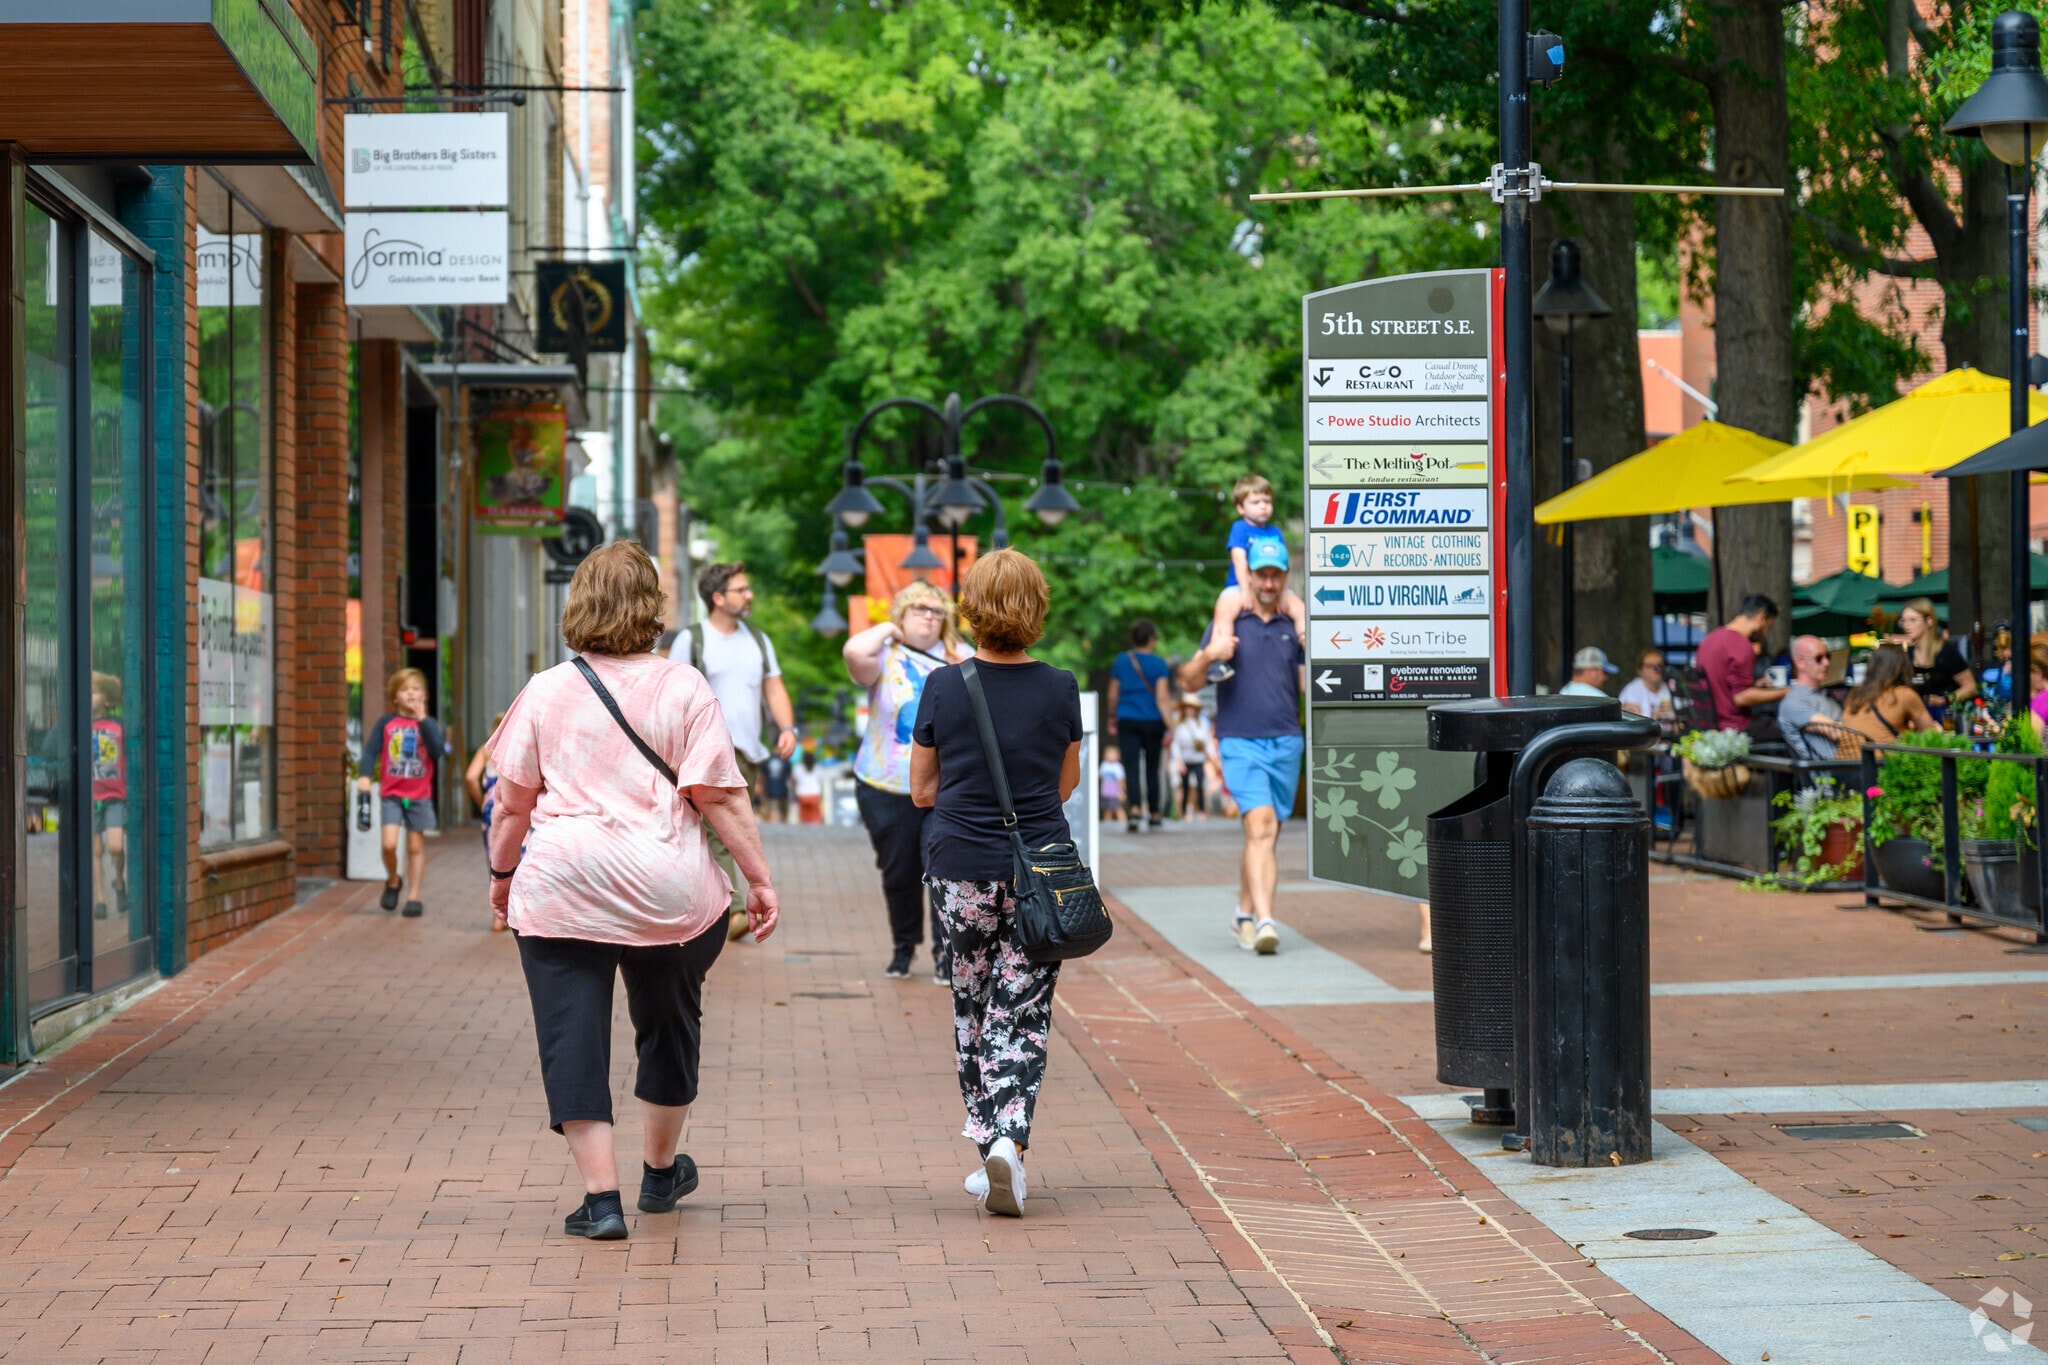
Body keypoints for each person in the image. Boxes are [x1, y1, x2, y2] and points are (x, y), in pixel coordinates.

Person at [487, 541, 778, 1242]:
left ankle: (601, 1198)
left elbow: (511, 804)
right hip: (668, 894)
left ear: (578, 602)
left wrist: (502, 880)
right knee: (670, 1022)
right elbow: (721, 796)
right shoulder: (683, 687)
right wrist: (759, 878)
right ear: (653, 606)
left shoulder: (546, 689)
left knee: (571, 1035)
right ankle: (658, 1171)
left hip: (563, 884)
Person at [910, 549, 1082, 1218]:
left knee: (973, 1006)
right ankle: (1009, 1138)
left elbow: (922, 789)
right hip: (1039, 870)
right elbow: (1064, 785)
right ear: (1037, 607)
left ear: (970, 608)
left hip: (960, 868)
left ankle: (988, 1142)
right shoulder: (1060, 686)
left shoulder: (944, 687)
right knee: (1024, 1009)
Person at [1180, 537, 1306, 955]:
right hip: (1239, 740)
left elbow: (1309, 686)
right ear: (1248, 575)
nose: (1268, 583)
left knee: (1264, 834)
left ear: (1285, 576)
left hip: (1287, 740)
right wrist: (1208, 655)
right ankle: (1267, 921)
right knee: (1261, 826)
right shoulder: (1229, 624)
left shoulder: (1294, 624)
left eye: (1276, 575)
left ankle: (1243, 914)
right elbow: (1189, 682)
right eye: (1262, 574)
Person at [669, 562, 798, 941]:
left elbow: (774, 687)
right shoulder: (691, 640)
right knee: (717, 830)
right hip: (703, 750)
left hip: (747, 752)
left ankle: (712, 902)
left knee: (735, 829)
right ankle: (735, 909)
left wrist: (787, 728)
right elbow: (672, 696)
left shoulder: (758, 640)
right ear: (717, 597)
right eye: (741, 589)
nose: (749, 595)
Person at [843, 580, 963, 981]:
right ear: (901, 615)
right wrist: (889, 630)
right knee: (899, 871)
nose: (929, 617)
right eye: (919, 609)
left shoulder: (959, 658)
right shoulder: (884, 655)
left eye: (936, 610)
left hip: (942, 788)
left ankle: (945, 953)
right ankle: (903, 947)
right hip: (884, 785)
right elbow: (853, 652)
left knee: (941, 868)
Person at [357, 668, 445, 919]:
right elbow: (370, 750)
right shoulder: (386, 723)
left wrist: (423, 718)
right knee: (389, 844)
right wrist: (364, 775)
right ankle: (393, 879)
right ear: (395, 697)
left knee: (416, 847)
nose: (411, 694)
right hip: (392, 794)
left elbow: (437, 751)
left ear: (425, 695)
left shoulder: (428, 724)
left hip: (418, 794)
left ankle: (414, 896)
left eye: (416, 689)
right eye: (405, 689)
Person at [1207, 475, 1307, 683]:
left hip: (1273, 587)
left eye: (1267, 502)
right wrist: (1245, 591)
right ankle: (1220, 659)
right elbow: (1239, 559)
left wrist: (1282, 595)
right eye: (1256, 502)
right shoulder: (1240, 529)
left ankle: (1308, 647)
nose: (1263, 507)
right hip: (1239, 585)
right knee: (1224, 608)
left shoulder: (1275, 532)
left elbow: (1284, 566)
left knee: (1299, 608)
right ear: (1241, 508)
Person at [1107, 621, 1175, 831]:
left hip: (1127, 718)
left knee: (1131, 765)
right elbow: (1162, 698)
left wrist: (1112, 716)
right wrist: (1170, 726)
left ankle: (1135, 810)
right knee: (1152, 767)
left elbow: (1112, 694)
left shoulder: (1121, 661)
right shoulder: (1159, 664)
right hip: (1153, 720)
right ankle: (1154, 813)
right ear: (1151, 638)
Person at [1695, 594, 1786, 732]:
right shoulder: (1741, 645)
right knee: (1788, 731)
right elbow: (1741, 698)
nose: (1765, 634)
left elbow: (1721, 683)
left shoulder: (1709, 639)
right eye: (1768, 627)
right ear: (1761, 617)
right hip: (1734, 728)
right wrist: (1785, 692)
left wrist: (1754, 686)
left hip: (1708, 724)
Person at [1841, 643, 1937, 749]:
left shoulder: (1854, 695)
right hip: (1879, 763)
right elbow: (1931, 735)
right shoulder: (1904, 694)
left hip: (1843, 763)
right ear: (1903, 667)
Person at [90, 672, 128, 923]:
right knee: (96, 849)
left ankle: (118, 880)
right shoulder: (83, 726)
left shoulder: (119, 725)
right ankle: (100, 900)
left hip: (115, 796)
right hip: (92, 797)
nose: (89, 696)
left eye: (94, 691)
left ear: (106, 698)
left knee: (115, 846)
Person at [1895, 597, 1977, 708]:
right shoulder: (1907, 657)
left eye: (1912, 620)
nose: (1907, 626)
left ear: (1929, 621)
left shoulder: (1946, 653)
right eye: (1903, 621)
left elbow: (1970, 687)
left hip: (1945, 716)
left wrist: (1945, 700)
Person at [1778, 636, 1847, 762]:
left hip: (1849, 765)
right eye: (1819, 658)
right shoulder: (1795, 701)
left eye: (1828, 656)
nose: (1826, 663)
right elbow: (1837, 732)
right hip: (1829, 773)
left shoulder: (1823, 694)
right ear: (1800, 663)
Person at [1170, 694, 1214, 819]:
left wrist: (1211, 755)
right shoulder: (1179, 724)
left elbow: (1208, 741)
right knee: (1184, 786)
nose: (1190, 710)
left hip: (1198, 759)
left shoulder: (1202, 724)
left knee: (1200, 784)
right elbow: (1176, 744)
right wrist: (1178, 761)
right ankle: (1183, 812)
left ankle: (1201, 809)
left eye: (1192, 707)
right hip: (1185, 760)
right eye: (1187, 707)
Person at [1618, 650, 1674, 720]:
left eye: (1659, 665)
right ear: (1640, 670)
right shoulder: (1632, 691)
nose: (1656, 669)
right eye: (1650, 666)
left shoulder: (1668, 689)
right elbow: (1634, 725)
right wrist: (1655, 718)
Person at [793, 751, 826, 824]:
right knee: (815, 818)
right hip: (815, 794)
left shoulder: (798, 768)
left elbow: (795, 782)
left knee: (804, 818)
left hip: (802, 794)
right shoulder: (818, 768)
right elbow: (821, 781)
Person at [760, 751, 792, 824]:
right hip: (783, 790)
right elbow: (790, 777)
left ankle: (774, 832)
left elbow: (761, 778)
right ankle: (784, 831)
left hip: (770, 791)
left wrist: (762, 792)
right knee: (784, 814)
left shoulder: (767, 759)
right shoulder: (785, 759)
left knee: (772, 813)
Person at [1099, 746, 1127, 824]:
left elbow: (1121, 780)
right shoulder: (1104, 765)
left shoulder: (1118, 767)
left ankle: (1123, 823)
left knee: (1118, 808)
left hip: (1115, 793)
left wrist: (1121, 792)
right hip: (1106, 792)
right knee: (1107, 810)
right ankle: (1107, 824)